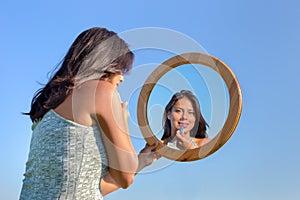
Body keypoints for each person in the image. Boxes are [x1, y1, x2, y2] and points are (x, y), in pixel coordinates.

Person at [20, 27, 160, 200]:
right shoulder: (102, 91)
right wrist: (122, 121)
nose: (122, 78)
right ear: (106, 63)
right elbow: (126, 178)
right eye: (120, 69)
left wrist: (142, 161)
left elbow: (90, 187)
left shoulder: (49, 108)